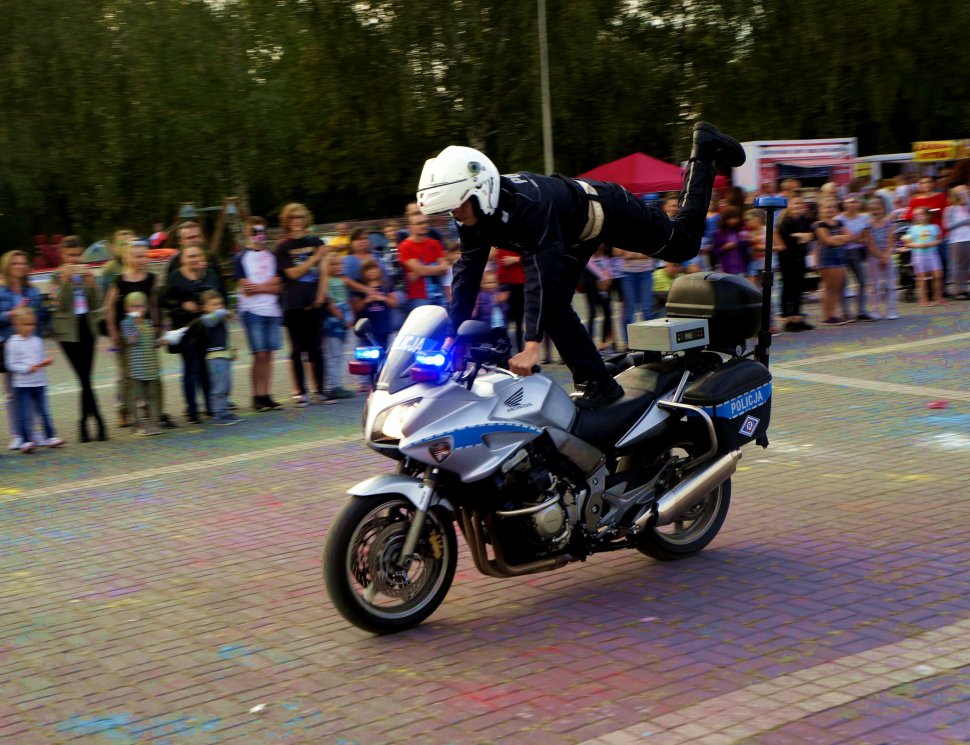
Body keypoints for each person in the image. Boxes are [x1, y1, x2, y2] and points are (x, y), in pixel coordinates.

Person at [416, 122, 744, 409]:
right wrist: (450, 333)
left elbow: (540, 274)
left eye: (457, 206)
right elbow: (467, 275)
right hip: (574, 231)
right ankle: (598, 383)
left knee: (683, 244)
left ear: (479, 190)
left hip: (607, 209)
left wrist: (532, 346)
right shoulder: (474, 217)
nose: (454, 214)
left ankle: (703, 152)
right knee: (556, 306)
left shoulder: (529, 205)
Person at [47, 236, 106, 442]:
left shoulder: (87, 273)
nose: (75, 259)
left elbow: (96, 302)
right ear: (62, 255)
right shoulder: (55, 276)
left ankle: (85, 422)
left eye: (78, 255)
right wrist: (64, 282)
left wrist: (90, 284)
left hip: (87, 328)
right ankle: (95, 420)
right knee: (84, 378)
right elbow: (57, 306)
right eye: (71, 255)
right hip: (67, 332)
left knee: (86, 378)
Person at [163, 244, 225, 423]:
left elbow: (221, 295)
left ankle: (210, 405)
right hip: (187, 329)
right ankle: (192, 410)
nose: (195, 259)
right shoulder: (176, 276)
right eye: (190, 256)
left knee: (207, 369)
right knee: (191, 370)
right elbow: (164, 299)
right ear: (183, 259)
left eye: (197, 255)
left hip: (208, 329)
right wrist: (182, 305)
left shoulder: (209, 274)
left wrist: (219, 309)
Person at [105, 239, 163, 428]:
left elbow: (154, 304)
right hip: (126, 332)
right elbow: (110, 307)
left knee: (150, 371)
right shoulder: (119, 280)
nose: (141, 260)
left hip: (146, 333)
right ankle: (125, 410)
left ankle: (150, 408)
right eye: (137, 256)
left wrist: (157, 326)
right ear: (128, 257)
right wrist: (113, 331)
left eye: (144, 256)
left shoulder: (151, 278)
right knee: (127, 374)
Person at [275, 203, 328, 407]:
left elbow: (323, 271)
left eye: (300, 217)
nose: (296, 221)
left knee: (316, 348)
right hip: (293, 304)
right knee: (297, 349)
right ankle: (300, 392)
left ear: (306, 219)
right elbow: (293, 273)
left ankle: (321, 391)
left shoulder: (316, 241)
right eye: (292, 217)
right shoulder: (282, 247)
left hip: (315, 301)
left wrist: (321, 296)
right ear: (286, 221)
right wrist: (315, 256)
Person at [234, 217, 284, 411]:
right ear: (247, 232)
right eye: (254, 231)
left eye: (261, 231)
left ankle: (266, 394)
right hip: (252, 311)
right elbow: (247, 289)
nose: (258, 235)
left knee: (270, 354)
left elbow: (278, 286)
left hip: (272, 310)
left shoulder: (271, 257)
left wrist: (262, 287)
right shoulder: (241, 257)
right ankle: (256, 395)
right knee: (259, 354)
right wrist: (268, 286)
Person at [0, 250, 48, 449]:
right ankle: (18, 433)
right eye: (15, 263)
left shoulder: (33, 291)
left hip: (32, 344)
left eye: (22, 263)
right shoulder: (1, 292)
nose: (19, 266)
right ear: (6, 267)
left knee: (34, 389)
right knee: (14, 392)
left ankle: (33, 432)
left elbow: (42, 317)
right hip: (9, 343)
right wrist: (11, 314)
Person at [3, 307, 63, 452]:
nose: (30, 327)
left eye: (32, 324)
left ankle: (50, 436)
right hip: (22, 385)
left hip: (40, 382)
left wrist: (47, 361)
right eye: (26, 324)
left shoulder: (37, 340)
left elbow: (41, 358)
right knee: (24, 413)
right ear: (16, 325)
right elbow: (10, 364)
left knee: (44, 411)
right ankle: (25, 441)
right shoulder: (12, 342)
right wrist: (26, 369)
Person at [119, 292, 164, 435]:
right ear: (127, 308)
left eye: (141, 306)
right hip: (136, 368)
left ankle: (155, 423)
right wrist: (137, 326)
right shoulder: (126, 323)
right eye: (134, 306)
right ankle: (139, 424)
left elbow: (151, 343)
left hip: (150, 366)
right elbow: (131, 341)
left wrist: (161, 341)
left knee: (153, 395)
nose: (138, 309)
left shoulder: (148, 323)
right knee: (137, 397)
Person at [199, 290, 242, 426]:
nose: (218, 307)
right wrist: (225, 312)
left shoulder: (220, 319)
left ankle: (225, 411)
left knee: (226, 385)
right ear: (204, 307)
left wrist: (232, 352)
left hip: (224, 355)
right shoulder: (206, 319)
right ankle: (218, 414)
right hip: (214, 358)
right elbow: (214, 318)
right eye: (213, 304)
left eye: (220, 304)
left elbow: (226, 338)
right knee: (219, 387)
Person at [777, 196, 815, 331]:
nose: (798, 206)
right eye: (795, 203)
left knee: (799, 288)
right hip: (787, 259)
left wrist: (803, 236)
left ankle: (798, 317)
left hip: (801, 258)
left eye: (800, 203)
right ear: (789, 206)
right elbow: (789, 239)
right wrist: (802, 237)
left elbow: (812, 234)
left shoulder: (804, 219)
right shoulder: (785, 221)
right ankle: (789, 319)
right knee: (788, 288)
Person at [397, 211, 449, 311]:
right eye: (419, 223)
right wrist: (434, 267)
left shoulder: (435, 243)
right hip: (419, 298)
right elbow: (422, 271)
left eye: (425, 222)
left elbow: (445, 269)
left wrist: (420, 271)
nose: (424, 225)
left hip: (439, 294)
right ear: (410, 227)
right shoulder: (405, 246)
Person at [321, 252, 355, 400]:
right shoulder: (326, 281)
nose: (337, 267)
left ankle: (336, 383)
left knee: (339, 354)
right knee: (332, 354)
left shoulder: (342, 279)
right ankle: (332, 385)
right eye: (333, 264)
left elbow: (347, 299)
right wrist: (340, 316)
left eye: (340, 264)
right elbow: (329, 302)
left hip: (343, 317)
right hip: (333, 320)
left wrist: (349, 317)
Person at [813, 199, 852, 326]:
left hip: (840, 257)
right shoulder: (819, 225)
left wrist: (836, 238)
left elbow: (849, 237)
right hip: (828, 257)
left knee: (837, 287)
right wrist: (840, 238)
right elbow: (827, 241)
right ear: (821, 210)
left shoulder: (840, 222)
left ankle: (833, 314)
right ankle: (826, 316)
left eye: (832, 207)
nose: (829, 210)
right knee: (829, 288)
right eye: (826, 207)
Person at [838, 196, 873, 322]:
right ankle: (845, 312)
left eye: (854, 201)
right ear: (844, 205)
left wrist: (851, 238)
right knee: (843, 283)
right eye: (849, 202)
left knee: (863, 281)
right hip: (841, 252)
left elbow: (865, 237)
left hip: (857, 252)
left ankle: (862, 311)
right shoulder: (839, 219)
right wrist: (854, 238)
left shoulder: (864, 218)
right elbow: (844, 237)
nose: (852, 205)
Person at [351, 259, 399, 349]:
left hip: (383, 327)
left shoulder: (386, 285)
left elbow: (394, 303)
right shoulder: (360, 287)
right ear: (363, 272)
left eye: (374, 268)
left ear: (379, 270)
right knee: (367, 354)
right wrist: (366, 300)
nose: (371, 272)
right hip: (366, 328)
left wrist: (382, 298)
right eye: (368, 270)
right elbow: (356, 308)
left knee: (383, 351)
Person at [864, 197, 898, 320]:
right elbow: (870, 242)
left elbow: (891, 240)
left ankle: (891, 309)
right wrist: (880, 256)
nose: (875, 211)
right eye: (872, 209)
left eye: (878, 209)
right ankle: (875, 310)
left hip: (887, 256)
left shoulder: (889, 224)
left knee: (890, 284)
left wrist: (886, 255)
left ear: (883, 209)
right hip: (873, 257)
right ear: (868, 210)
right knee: (874, 286)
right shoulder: (867, 225)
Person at [903, 207, 945, 306]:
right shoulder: (912, 229)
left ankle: (937, 297)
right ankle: (923, 299)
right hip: (919, 255)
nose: (918, 216)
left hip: (933, 254)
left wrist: (931, 244)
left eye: (920, 214)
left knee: (938, 275)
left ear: (927, 216)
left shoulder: (934, 227)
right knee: (921, 278)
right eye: (916, 215)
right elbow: (908, 244)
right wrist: (919, 245)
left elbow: (939, 240)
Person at [491, 248, 525, 352]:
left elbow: (533, 256)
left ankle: (520, 351)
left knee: (519, 322)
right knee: (504, 322)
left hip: (519, 284)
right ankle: (505, 352)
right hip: (503, 284)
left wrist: (517, 259)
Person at [943, 186, 970, 300]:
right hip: (958, 240)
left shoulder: (968, 207)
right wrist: (964, 221)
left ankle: (964, 288)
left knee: (966, 265)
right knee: (959, 265)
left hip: (969, 238)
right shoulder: (950, 209)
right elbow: (947, 226)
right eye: (963, 193)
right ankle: (959, 289)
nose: (966, 195)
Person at [710, 206, 750, 277]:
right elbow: (713, 252)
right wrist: (724, 248)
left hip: (741, 268)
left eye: (735, 218)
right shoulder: (718, 233)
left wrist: (738, 243)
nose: (732, 221)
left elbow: (746, 246)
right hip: (724, 269)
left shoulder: (743, 230)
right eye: (729, 218)